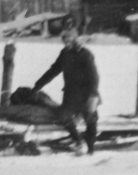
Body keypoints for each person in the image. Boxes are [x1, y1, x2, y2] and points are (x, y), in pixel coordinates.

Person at [31, 24, 100, 154]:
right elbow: (53, 71)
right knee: (62, 116)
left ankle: (91, 150)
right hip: (71, 96)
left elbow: (94, 78)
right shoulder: (64, 54)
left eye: (68, 39)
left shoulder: (85, 54)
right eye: (64, 39)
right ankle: (79, 142)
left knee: (91, 120)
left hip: (87, 95)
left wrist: (93, 97)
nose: (66, 42)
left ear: (75, 39)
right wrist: (37, 86)